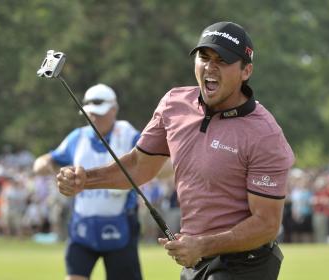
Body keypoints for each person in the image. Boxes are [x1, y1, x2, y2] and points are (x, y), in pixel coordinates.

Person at [56, 22, 295, 280]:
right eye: (204, 57)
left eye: (222, 60)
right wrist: (86, 180)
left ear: (246, 71)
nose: (210, 66)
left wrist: (202, 245)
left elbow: (267, 225)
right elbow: (138, 166)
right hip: (196, 261)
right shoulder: (174, 105)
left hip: (245, 266)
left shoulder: (265, 134)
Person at [33, 84, 142, 280]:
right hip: (82, 227)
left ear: (114, 109)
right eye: (90, 113)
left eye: (99, 113)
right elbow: (43, 162)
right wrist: (49, 167)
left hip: (121, 225)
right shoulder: (78, 136)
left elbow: (153, 161)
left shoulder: (127, 133)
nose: (94, 118)